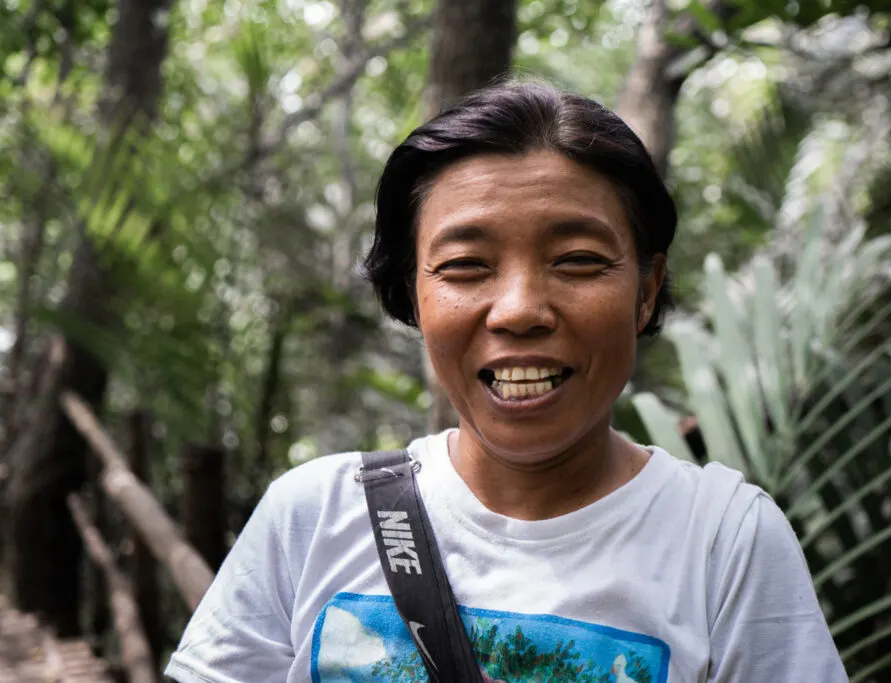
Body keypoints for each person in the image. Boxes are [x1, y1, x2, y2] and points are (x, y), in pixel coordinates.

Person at [165, 80, 848, 683]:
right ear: (414, 293)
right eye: (465, 266)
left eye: (578, 260)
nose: (520, 308)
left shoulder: (724, 541)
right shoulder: (313, 516)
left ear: (647, 290)